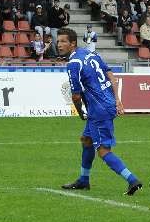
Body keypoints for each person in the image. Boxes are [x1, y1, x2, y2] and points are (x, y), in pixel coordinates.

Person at [57, 28, 142, 195]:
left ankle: (132, 180)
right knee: (86, 140)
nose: (59, 44)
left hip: (98, 110)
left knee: (103, 150)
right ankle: (83, 180)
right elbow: (111, 74)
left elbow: (75, 96)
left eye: (63, 41)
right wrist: (117, 100)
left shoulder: (73, 63)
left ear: (72, 43)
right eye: (58, 41)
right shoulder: (90, 54)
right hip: (108, 103)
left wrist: (81, 113)